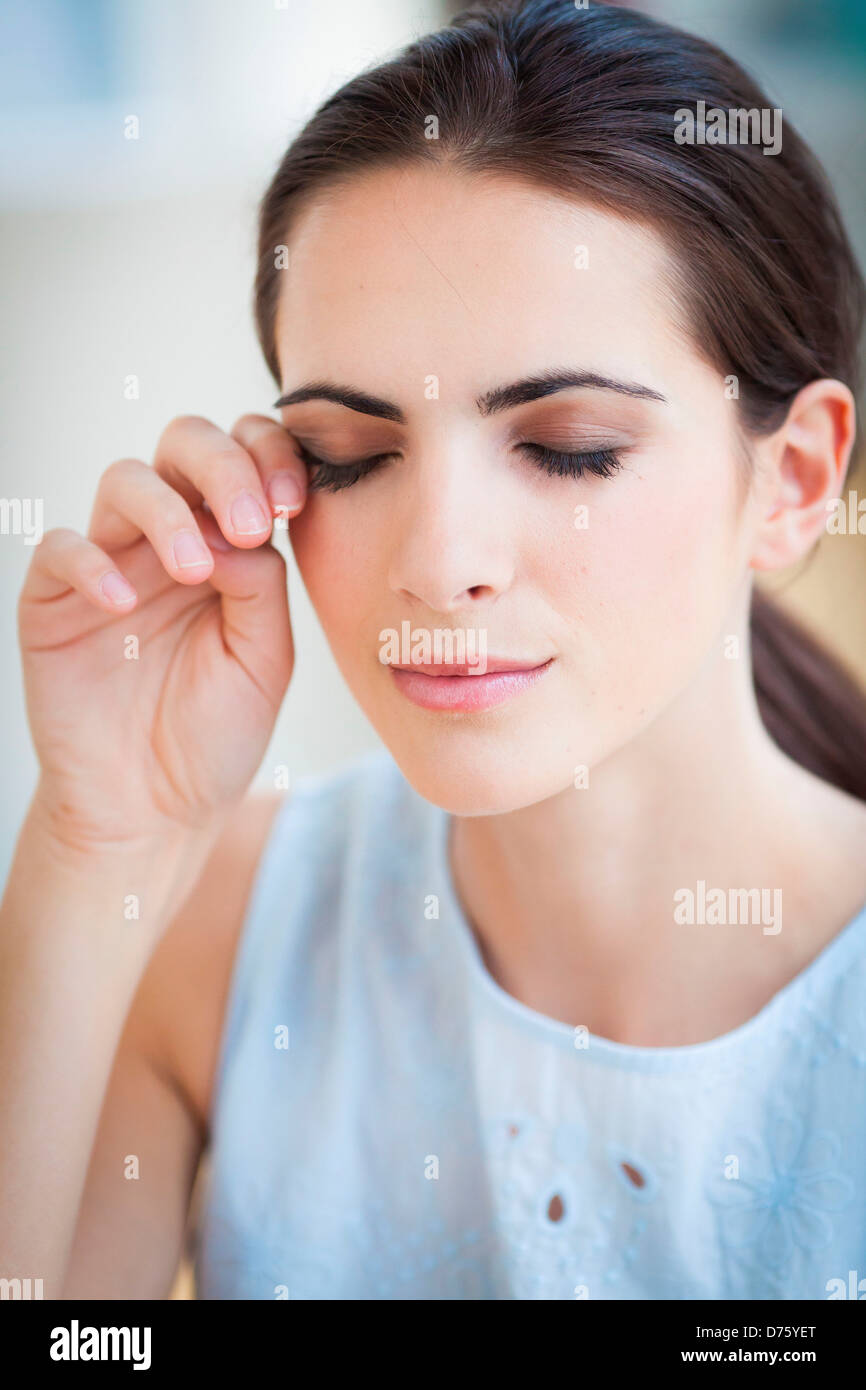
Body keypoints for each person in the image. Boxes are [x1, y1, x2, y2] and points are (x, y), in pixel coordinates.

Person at [3, 0, 866, 1301]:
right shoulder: (220, 928)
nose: (439, 557)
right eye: (350, 457)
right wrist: (92, 849)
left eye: (567, 443)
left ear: (793, 477)